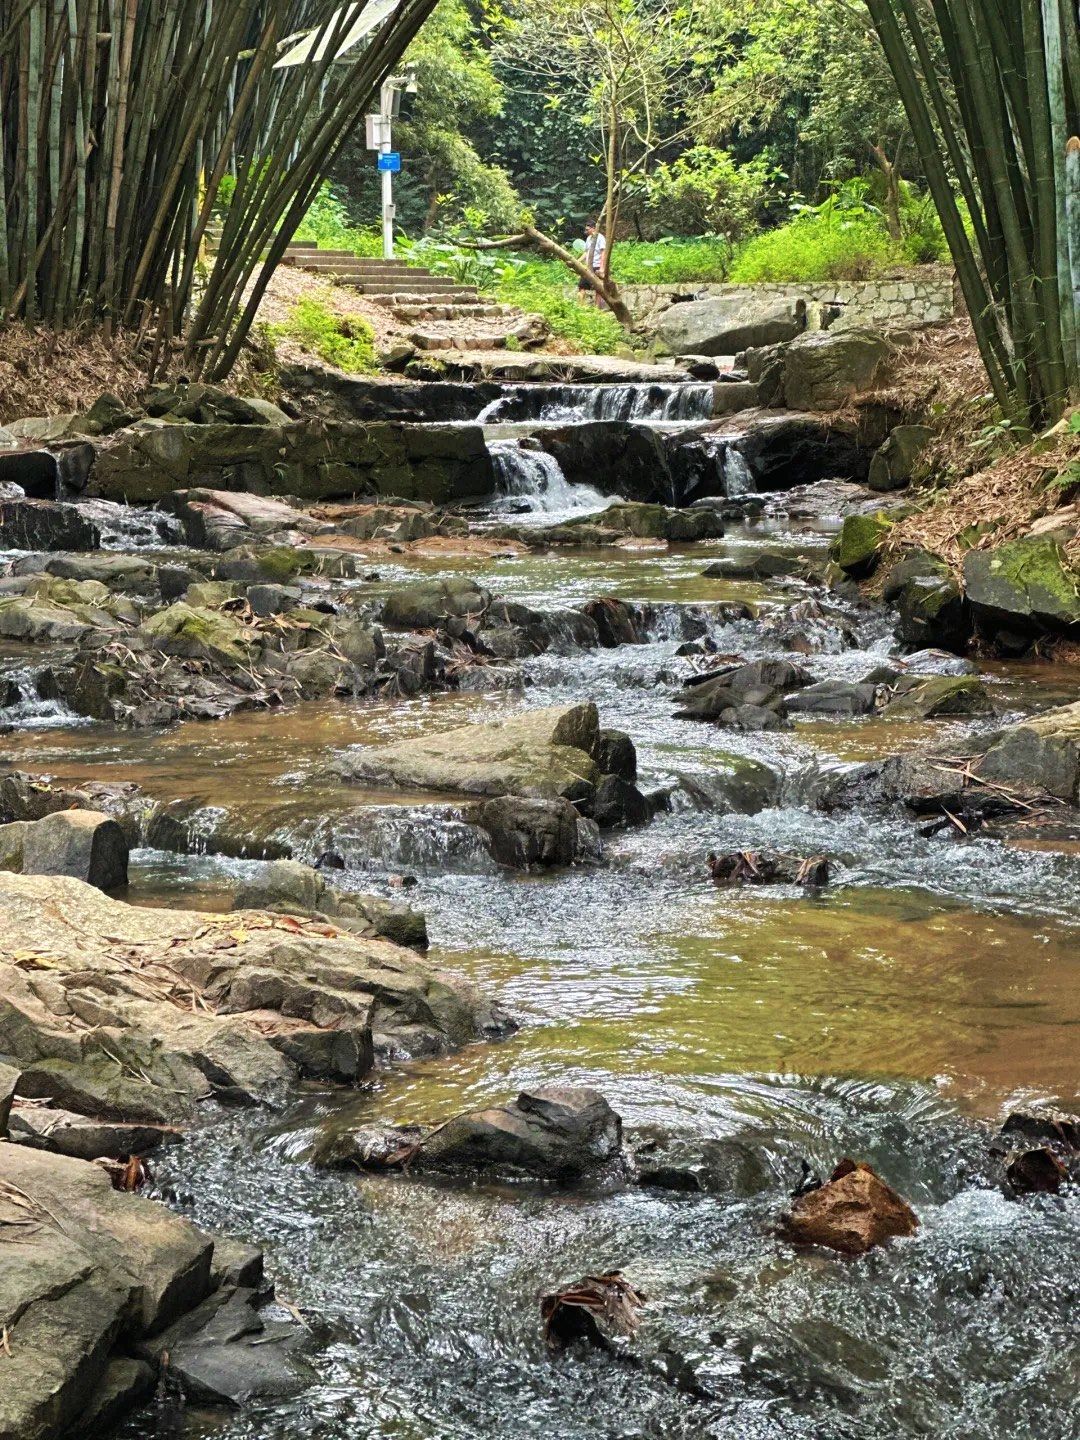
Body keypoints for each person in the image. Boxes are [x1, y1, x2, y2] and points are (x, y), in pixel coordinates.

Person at [577, 220, 607, 307]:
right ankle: (580, 307)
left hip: (596, 266)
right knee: (582, 286)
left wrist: (602, 268)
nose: (586, 231)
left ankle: (597, 309)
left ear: (594, 228)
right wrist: (578, 261)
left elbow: (603, 253)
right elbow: (586, 252)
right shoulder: (588, 238)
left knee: (598, 288)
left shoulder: (600, 238)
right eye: (585, 230)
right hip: (588, 267)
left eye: (587, 229)